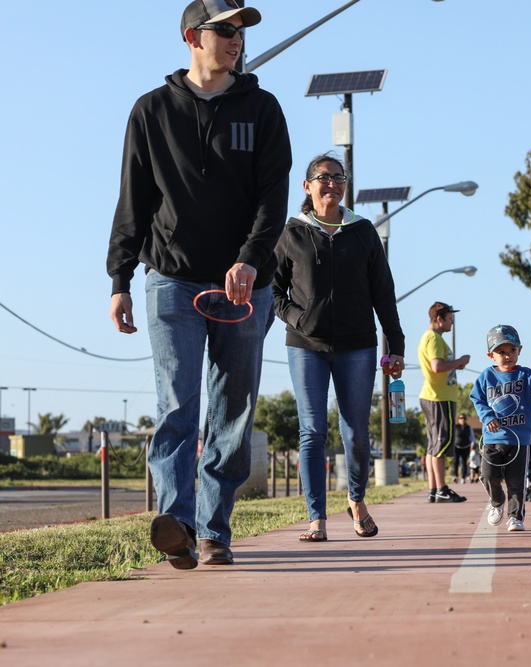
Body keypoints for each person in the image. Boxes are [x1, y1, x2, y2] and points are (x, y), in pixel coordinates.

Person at [106, 0, 291, 569]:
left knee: (232, 411)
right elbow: (133, 201)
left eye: (241, 31)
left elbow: (273, 198)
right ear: (193, 36)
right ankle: (179, 524)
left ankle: (214, 529)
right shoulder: (151, 110)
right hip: (170, 283)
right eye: (225, 29)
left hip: (244, 286)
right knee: (177, 406)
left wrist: (251, 261)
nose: (236, 39)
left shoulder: (261, 109)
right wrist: (120, 277)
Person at [272, 153, 405, 541]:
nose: (332, 184)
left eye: (338, 178)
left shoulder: (363, 231)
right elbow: (273, 291)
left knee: (356, 433)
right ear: (307, 186)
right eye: (324, 178)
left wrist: (394, 345)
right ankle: (317, 519)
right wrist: (299, 318)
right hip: (305, 346)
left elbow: (384, 292)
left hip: (357, 346)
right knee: (312, 431)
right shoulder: (291, 233)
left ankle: (356, 499)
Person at [470, 325, 531, 531]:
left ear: (519, 350)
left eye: (512, 350)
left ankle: (515, 517)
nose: (507, 355)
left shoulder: (526, 375)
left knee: (517, 482)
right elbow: (477, 398)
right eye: (501, 351)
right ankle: (496, 501)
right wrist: (487, 417)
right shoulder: (487, 377)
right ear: (490, 355)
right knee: (487, 475)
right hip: (493, 438)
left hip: (519, 440)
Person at [418, 302, 471, 503]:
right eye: (450, 319)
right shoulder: (433, 338)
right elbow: (437, 366)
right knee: (440, 444)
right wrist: (459, 361)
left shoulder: (431, 337)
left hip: (433, 395)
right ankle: (441, 488)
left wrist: (456, 364)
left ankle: (434, 489)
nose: (452, 323)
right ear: (439, 319)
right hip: (439, 397)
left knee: (433, 446)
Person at [452, 413, 474, 483]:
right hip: (456, 447)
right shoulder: (455, 427)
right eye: (461, 418)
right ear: (458, 420)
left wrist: (472, 445)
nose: (462, 420)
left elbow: (472, 437)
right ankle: (455, 476)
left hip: (466, 447)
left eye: (464, 418)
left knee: (464, 462)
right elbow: (452, 437)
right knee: (456, 461)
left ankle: (463, 477)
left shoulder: (469, 427)